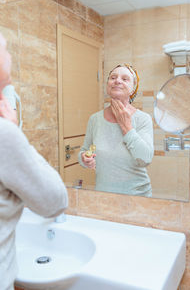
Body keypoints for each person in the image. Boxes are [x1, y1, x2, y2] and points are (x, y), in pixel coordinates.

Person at [0, 33, 68, 290]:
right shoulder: (4, 134)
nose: (10, 57)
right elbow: (55, 202)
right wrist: (14, 132)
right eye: (6, 51)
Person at [78, 64, 154, 197]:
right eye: (113, 77)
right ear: (108, 85)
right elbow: (84, 151)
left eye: (125, 79)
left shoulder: (143, 119)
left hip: (137, 196)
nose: (117, 80)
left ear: (132, 89)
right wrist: (84, 159)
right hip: (103, 195)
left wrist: (126, 127)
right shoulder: (95, 119)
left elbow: (145, 159)